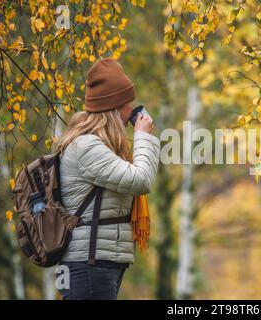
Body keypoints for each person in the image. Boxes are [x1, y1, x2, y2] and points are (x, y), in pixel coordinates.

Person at [54, 58, 160, 300]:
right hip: (88, 264)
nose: (131, 111)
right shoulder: (87, 146)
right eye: (127, 104)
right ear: (113, 108)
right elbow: (142, 180)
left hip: (99, 261)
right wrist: (143, 137)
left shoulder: (101, 146)